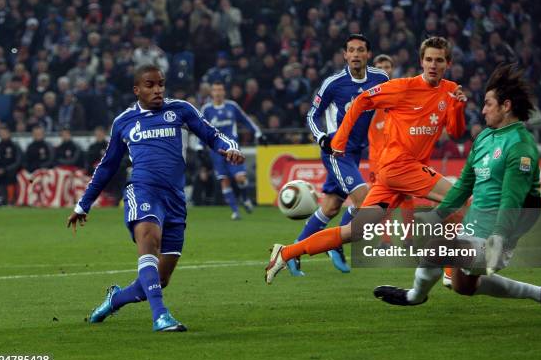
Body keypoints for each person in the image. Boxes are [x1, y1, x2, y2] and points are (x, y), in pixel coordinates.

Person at [373, 64, 541, 319]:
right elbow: (465, 184)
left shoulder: (520, 145)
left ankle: (414, 296)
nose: (483, 110)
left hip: (499, 229)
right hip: (477, 220)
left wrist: (498, 237)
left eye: (488, 104)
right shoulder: (485, 138)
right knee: (463, 286)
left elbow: (513, 199)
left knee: (435, 248)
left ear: (506, 106)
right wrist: (437, 215)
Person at [266, 36, 467, 284]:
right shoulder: (403, 87)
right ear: (421, 61)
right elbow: (362, 100)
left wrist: (458, 107)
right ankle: (449, 270)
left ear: (448, 63)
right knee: (461, 202)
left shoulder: (450, 90)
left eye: (438, 60)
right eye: (428, 59)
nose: (433, 65)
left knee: (356, 231)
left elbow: (457, 132)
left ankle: (285, 252)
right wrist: (338, 141)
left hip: (393, 175)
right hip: (401, 166)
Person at [67, 65, 243, 332]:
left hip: (175, 198)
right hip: (142, 190)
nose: (158, 90)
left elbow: (211, 134)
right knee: (149, 240)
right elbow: (107, 166)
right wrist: (83, 204)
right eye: (150, 85)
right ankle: (160, 316)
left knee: (160, 278)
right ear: (137, 90)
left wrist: (228, 148)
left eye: (161, 84)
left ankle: (116, 299)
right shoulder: (124, 122)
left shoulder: (181, 110)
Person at [288, 33, 389, 276]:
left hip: (355, 153)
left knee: (331, 207)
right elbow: (312, 115)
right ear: (345, 55)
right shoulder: (333, 83)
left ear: (368, 54)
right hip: (336, 150)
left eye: (360, 50)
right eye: (351, 50)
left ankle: (292, 253)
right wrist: (321, 137)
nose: (355, 54)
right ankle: (335, 244)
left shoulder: (380, 78)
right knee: (365, 199)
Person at [201, 81, 266, 220]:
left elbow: (246, 120)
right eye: (215, 90)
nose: (218, 93)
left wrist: (258, 133)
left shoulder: (232, 106)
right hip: (216, 151)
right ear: (211, 93)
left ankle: (245, 198)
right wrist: (199, 146)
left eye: (220, 90)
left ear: (224, 92)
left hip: (232, 149)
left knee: (240, 178)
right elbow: (201, 128)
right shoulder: (206, 109)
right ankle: (235, 211)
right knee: (224, 180)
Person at [368, 54, 415, 249]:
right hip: (377, 160)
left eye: (387, 66)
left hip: (401, 157)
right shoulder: (369, 98)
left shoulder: (400, 94)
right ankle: (385, 240)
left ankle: (408, 239)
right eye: (380, 67)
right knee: (381, 202)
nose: (384, 69)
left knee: (407, 197)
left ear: (392, 69)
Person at [0, 125, 22, 206]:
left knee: (9, 176)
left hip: (11, 171)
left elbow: (18, 162)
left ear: (9, 134)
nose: (3, 135)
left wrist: (6, 169)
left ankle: (10, 199)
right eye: (1, 133)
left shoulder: (15, 146)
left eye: (5, 133)